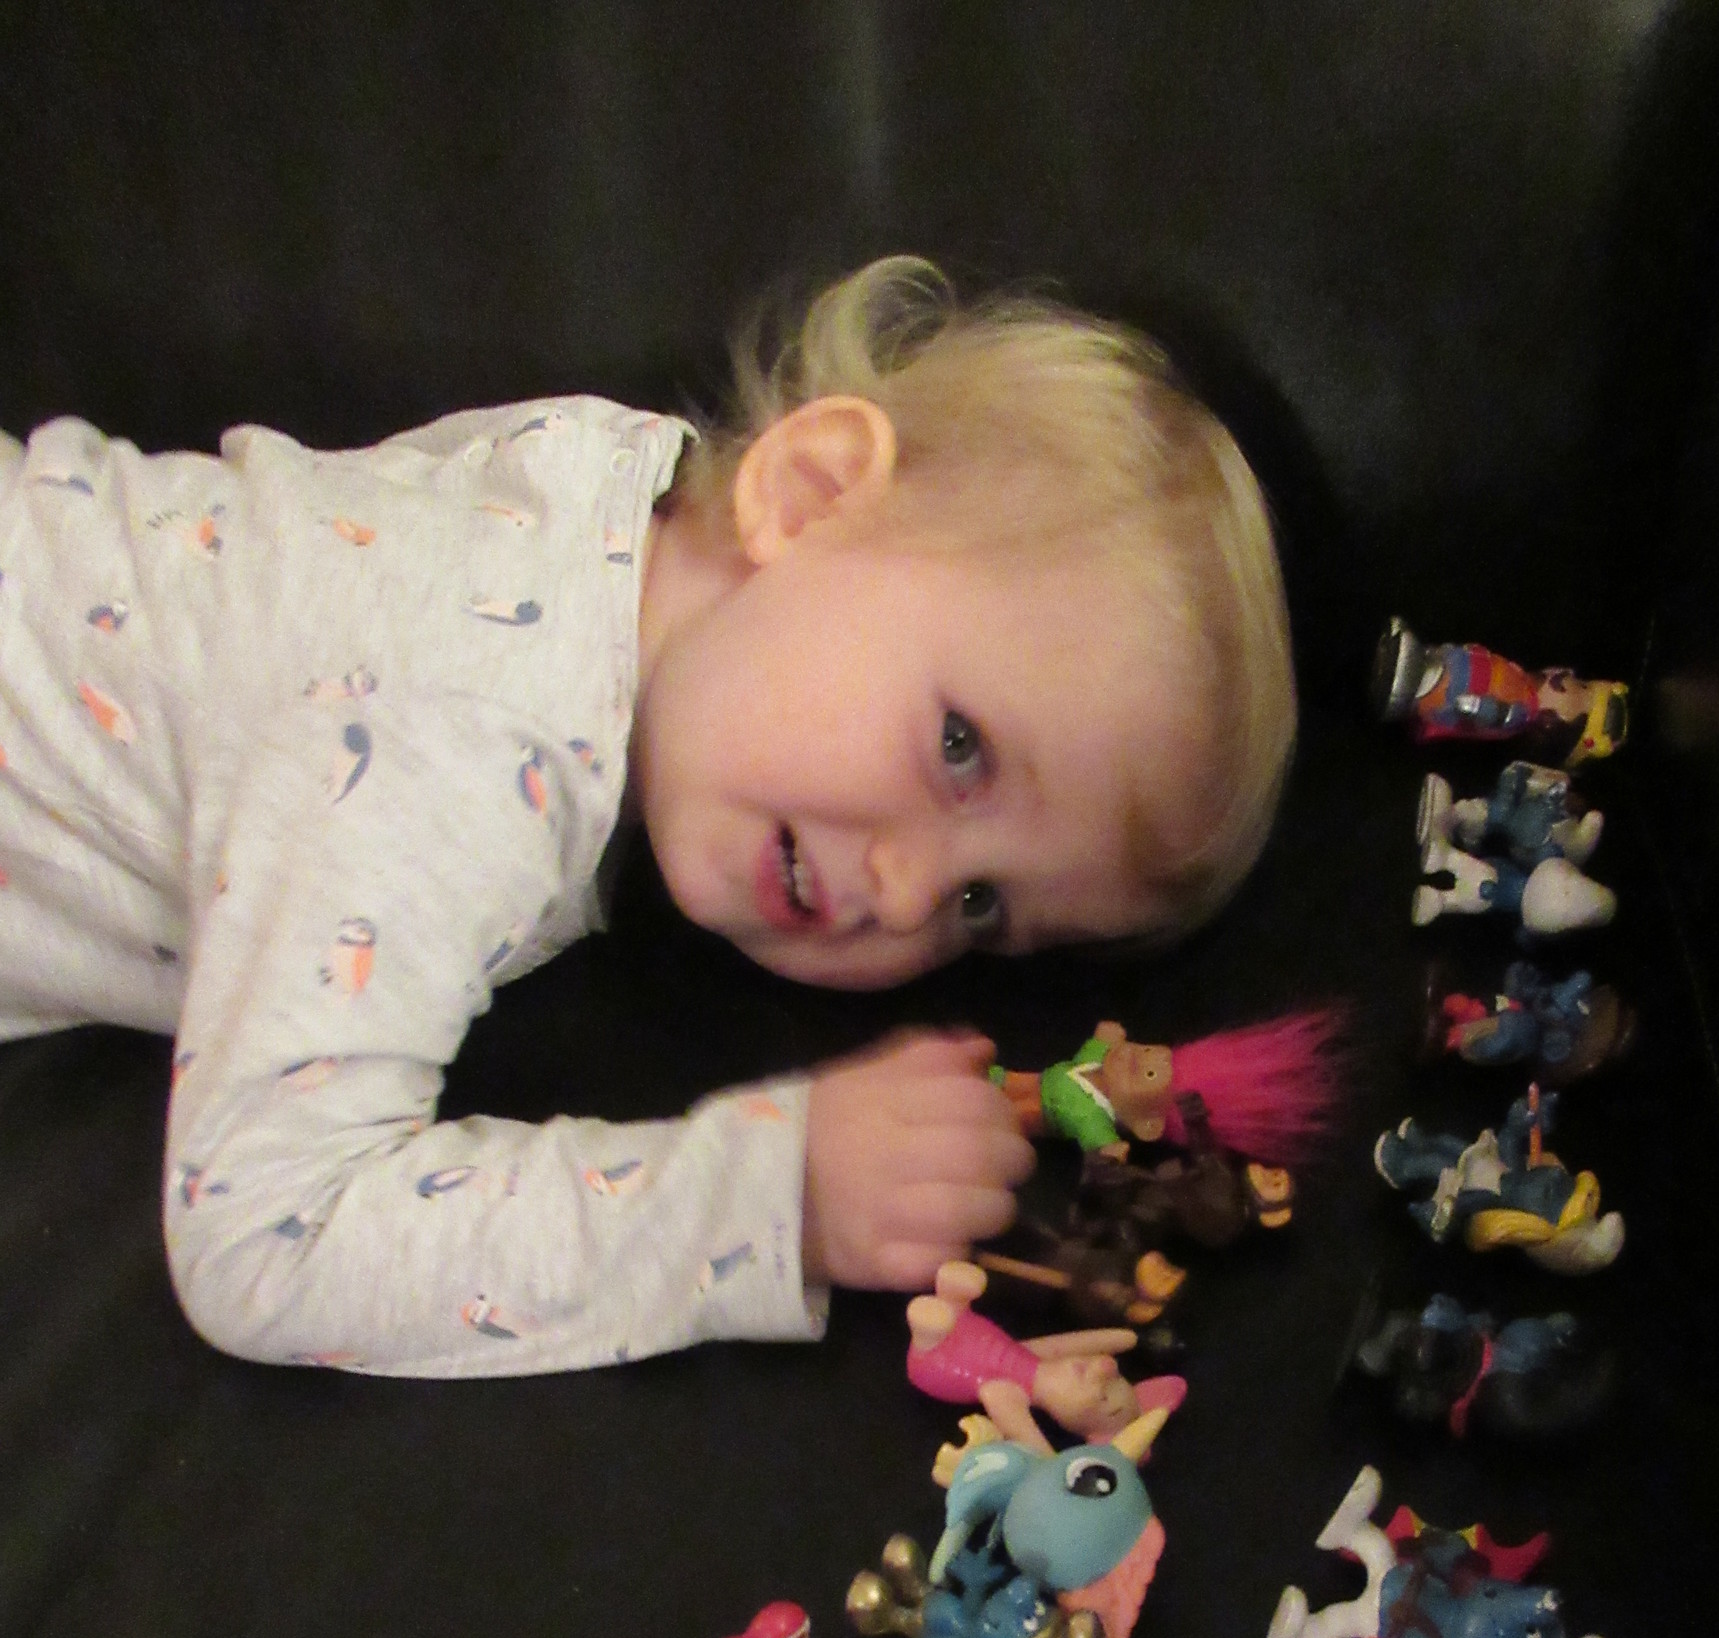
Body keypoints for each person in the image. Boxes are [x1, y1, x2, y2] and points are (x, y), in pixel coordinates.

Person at [0, 258, 1296, 1374]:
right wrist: (768, 1199)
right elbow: (271, 1241)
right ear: (809, 493)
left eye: (980, 907)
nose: (908, 896)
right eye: (960, 748)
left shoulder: (594, 489)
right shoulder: (465, 741)